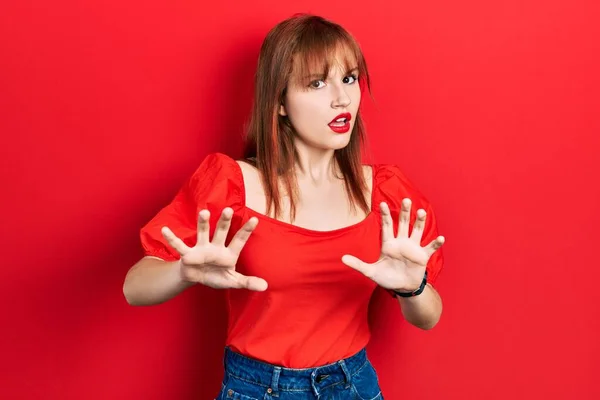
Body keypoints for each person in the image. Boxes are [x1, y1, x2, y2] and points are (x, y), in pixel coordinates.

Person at [123, 13, 446, 400]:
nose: (342, 98)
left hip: (353, 385)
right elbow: (134, 287)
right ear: (279, 101)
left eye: (349, 78)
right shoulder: (231, 185)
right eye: (317, 83)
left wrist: (414, 287)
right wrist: (183, 271)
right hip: (258, 389)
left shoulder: (385, 192)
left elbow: (428, 317)